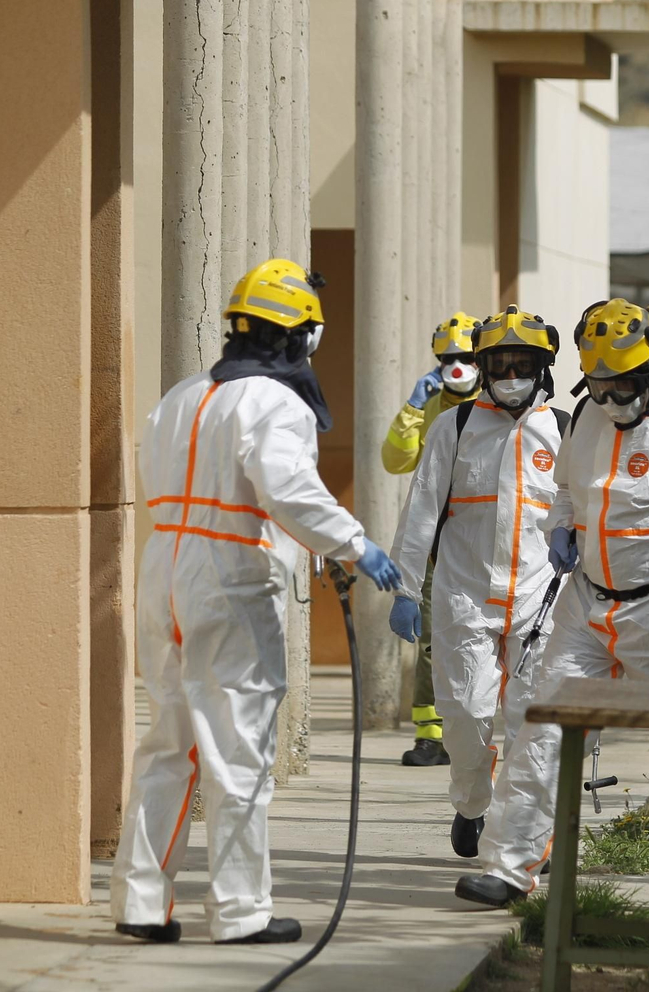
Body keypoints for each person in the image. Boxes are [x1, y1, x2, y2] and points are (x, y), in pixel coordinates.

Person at [111, 258, 403, 946]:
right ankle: (242, 913)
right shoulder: (276, 405)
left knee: (168, 744)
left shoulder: (180, 395)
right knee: (238, 748)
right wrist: (354, 544)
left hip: (164, 566)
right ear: (298, 337)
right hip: (229, 574)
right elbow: (288, 490)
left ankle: (140, 902)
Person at [455, 297, 649, 917]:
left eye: (624, 382)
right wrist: (562, 524)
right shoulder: (587, 421)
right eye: (599, 384)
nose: (611, 396)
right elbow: (568, 487)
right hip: (586, 608)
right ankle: (508, 867)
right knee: (541, 734)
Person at [388, 305, 569, 859]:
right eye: (500, 362)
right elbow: (421, 509)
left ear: (542, 367)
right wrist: (403, 587)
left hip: (542, 597)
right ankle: (471, 802)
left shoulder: (564, 429)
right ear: (484, 368)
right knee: (465, 715)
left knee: (528, 723)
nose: (511, 373)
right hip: (465, 594)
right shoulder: (455, 426)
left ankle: (519, 837)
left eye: (523, 362)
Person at [382, 312, 483, 767]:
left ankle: (480, 729)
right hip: (435, 546)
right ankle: (431, 736)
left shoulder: (495, 407)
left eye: (464, 357)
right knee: (430, 644)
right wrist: (412, 408)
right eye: (448, 358)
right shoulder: (430, 410)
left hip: (482, 544)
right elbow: (396, 462)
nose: (456, 365)